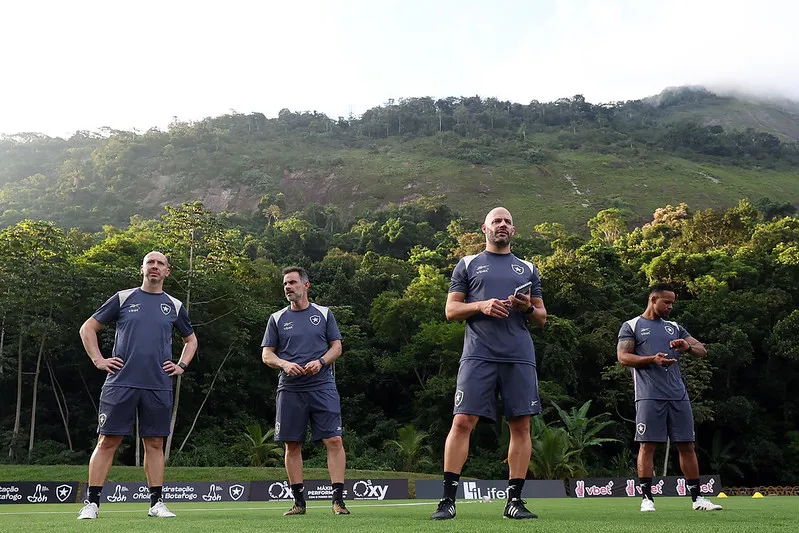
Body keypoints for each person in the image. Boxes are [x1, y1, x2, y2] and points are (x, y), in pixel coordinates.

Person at [430, 207, 547, 521]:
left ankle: (515, 502)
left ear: (514, 230)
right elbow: (451, 311)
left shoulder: (528, 268)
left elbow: (542, 317)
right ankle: (446, 501)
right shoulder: (468, 264)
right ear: (484, 228)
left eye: (508, 221)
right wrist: (481, 304)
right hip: (478, 354)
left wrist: (525, 307)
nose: (503, 225)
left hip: (519, 355)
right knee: (462, 422)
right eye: (497, 221)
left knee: (521, 426)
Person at [76, 251, 197, 520]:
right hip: (120, 382)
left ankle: (156, 504)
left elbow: (191, 341)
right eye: (150, 263)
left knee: (155, 443)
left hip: (157, 385)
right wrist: (98, 359)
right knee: (108, 441)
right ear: (142, 269)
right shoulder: (123, 298)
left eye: (160, 264)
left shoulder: (175, 306)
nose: (154, 267)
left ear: (168, 271)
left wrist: (181, 366)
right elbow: (88, 328)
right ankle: (91, 504)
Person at [617, 282, 722, 512]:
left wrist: (686, 346)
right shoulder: (632, 325)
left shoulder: (674, 327)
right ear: (653, 300)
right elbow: (623, 357)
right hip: (648, 396)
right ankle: (647, 499)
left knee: (687, 445)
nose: (670, 307)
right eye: (667, 302)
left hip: (678, 395)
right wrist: (651, 359)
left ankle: (697, 499)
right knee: (648, 446)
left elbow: (702, 350)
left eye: (672, 303)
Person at [261, 266, 349, 516]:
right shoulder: (277, 318)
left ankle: (338, 502)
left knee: (334, 440)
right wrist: (284, 364)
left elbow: (337, 347)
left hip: (322, 385)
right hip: (290, 389)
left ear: (305, 285)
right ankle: (299, 503)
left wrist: (321, 362)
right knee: (292, 444)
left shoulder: (323, 313)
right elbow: (267, 354)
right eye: (285, 284)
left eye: (292, 282)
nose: (288, 287)